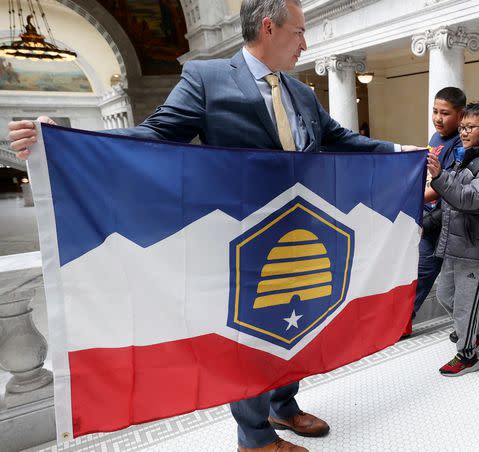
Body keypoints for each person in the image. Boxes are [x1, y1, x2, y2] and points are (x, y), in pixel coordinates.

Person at [8, 1, 419, 451]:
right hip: (240, 238)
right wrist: (61, 139)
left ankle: (285, 405)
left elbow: (343, 140)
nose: (306, 42)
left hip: (300, 229)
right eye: (299, 32)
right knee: (249, 337)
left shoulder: (300, 92)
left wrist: (402, 152)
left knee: (296, 322)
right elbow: (157, 134)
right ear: (269, 27)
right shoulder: (208, 78)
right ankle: (255, 437)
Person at [426, 102, 479, 377]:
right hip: (456, 243)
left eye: (469, 127)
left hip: (478, 248)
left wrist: (439, 176)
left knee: (465, 306)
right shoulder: (468, 156)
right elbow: (450, 201)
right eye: (462, 127)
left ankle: (467, 356)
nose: (462, 132)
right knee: (445, 295)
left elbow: (471, 198)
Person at [406, 86, 466, 336]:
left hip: (445, 220)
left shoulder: (459, 144)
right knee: (417, 272)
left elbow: (445, 186)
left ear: (461, 115)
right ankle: (401, 322)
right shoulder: (435, 138)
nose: (438, 118)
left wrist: (412, 198)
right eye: (434, 112)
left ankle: (470, 328)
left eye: (445, 113)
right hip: (428, 216)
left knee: (432, 274)